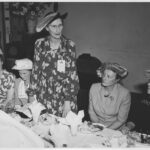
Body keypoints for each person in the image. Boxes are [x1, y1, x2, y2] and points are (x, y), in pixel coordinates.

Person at [29, 11, 79, 117]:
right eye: (54, 26)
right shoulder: (40, 44)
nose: (58, 30)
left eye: (60, 25)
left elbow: (72, 75)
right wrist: (32, 94)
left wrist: (67, 101)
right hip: (45, 94)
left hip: (65, 96)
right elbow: (36, 71)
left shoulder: (69, 45)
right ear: (47, 28)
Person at [88, 62, 131, 130]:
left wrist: (106, 131)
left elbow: (121, 120)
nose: (104, 78)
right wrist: (98, 127)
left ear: (117, 80)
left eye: (109, 76)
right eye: (104, 75)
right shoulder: (94, 88)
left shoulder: (124, 94)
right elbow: (91, 112)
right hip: (97, 126)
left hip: (115, 129)